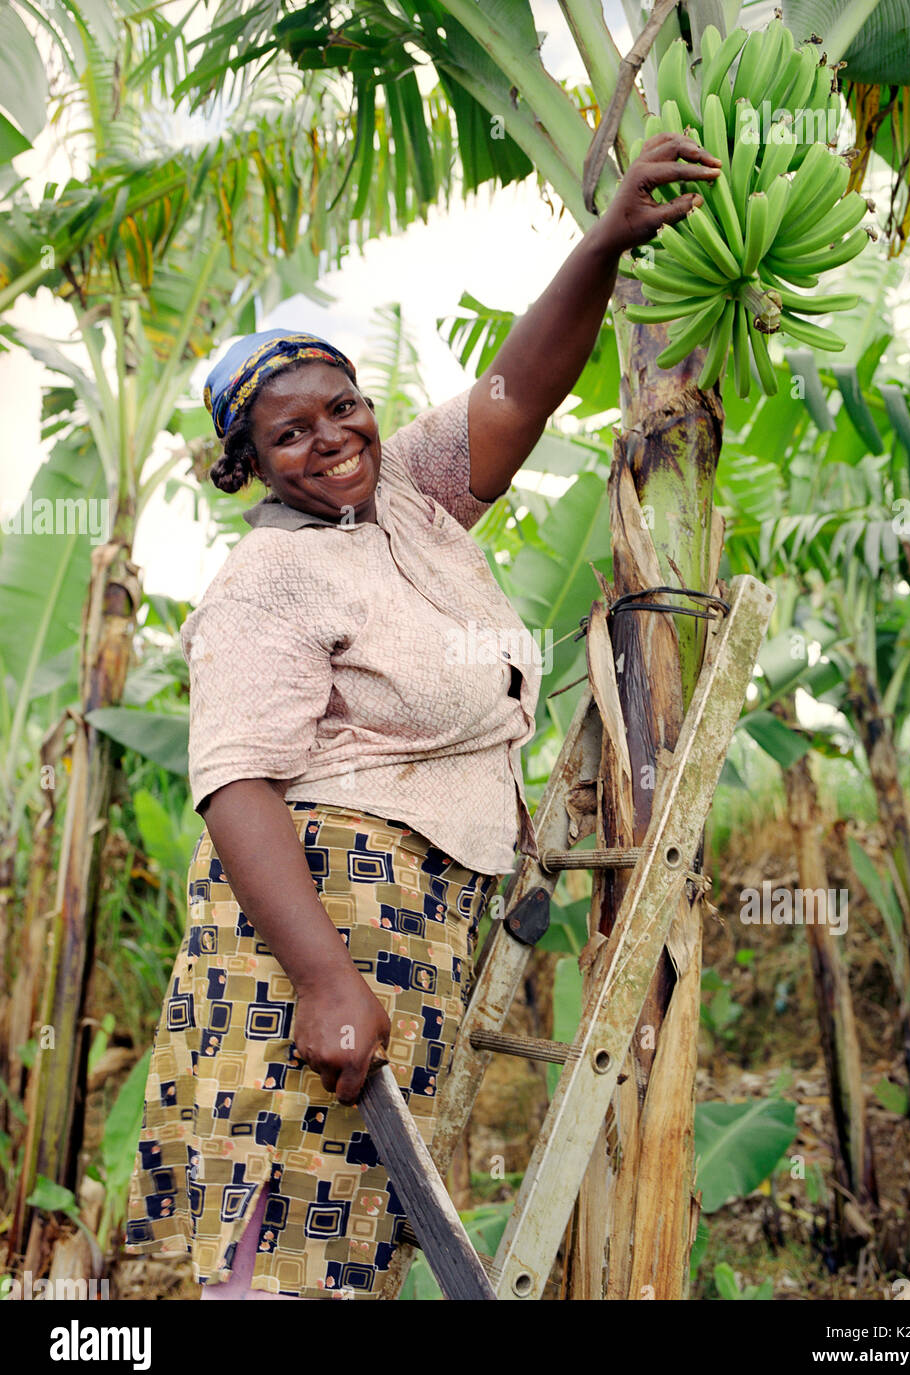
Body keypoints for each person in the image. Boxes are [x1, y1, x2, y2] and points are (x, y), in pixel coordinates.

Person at [123, 134, 721, 1300]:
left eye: (340, 407)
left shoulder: (405, 497)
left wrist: (602, 240)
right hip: (321, 912)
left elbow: (524, 384)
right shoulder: (270, 578)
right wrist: (324, 979)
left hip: (424, 908)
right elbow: (235, 784)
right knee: (287, 1219)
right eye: (288, 434)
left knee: (358, 1225)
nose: (328, 438)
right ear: (247, 463)